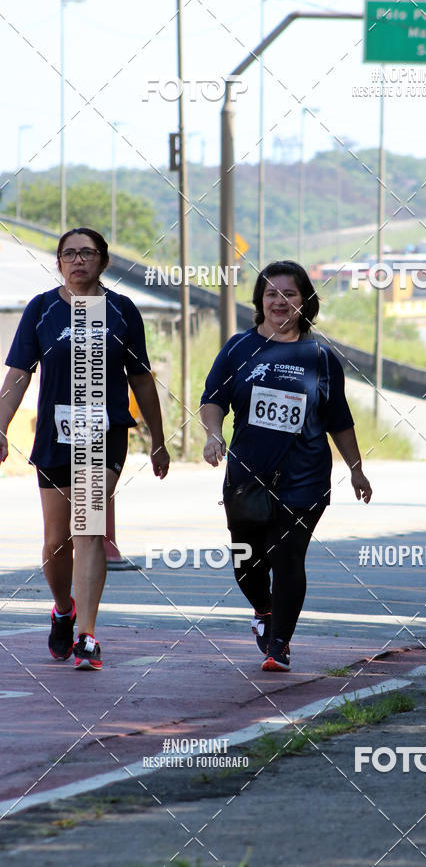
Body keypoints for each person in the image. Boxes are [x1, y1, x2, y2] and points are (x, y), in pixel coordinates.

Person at [0, 227, 170, 670]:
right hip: (55, 437)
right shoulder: (41, 310)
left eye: (88, 253)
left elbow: (142, 380)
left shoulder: (121, 310)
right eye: (69, 254)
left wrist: (158, 438)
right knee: (57, 543)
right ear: (59, 262)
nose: (78, 260)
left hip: (104, 433)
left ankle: (87, 635)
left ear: (104, 261)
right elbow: (18, 376)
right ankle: (63, 608)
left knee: (89, 528)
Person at [200, 260, 371, 672]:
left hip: (305, 474)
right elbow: (213, 401)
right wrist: (213, 434)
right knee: (246, 559)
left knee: (289, 557)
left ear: (304, 300)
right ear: (260, 300)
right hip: (247, 472)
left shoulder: (320, 356)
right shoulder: (239, 348)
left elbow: (339, 420)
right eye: (272, 293)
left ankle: (280, 645)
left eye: (289, 294)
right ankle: (264, 610)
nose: (280, 301)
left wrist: (356, 468)